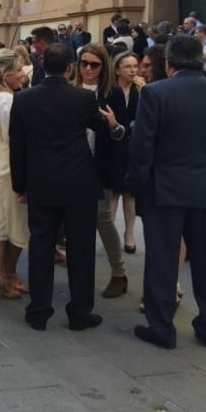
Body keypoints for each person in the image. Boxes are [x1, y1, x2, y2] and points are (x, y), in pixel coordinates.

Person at [131, 35, 206, 349]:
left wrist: (137, 185)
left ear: (169, 62)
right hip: (204, 186)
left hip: (163, 188)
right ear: (201, 59)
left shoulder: (154, 92)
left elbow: (142, 147)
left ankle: (162, 327)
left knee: (162, 259)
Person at [10, 43, 124, 331]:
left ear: (41, 66)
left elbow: (18, 147)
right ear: (70, 68)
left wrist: (20, 184)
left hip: (41, 182)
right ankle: (80, 312)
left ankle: (39, 310)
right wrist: (111, 123)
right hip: (78, 183)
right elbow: (99, 129)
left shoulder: (24, 100)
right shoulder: (82, 98)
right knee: (81, 249)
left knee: (41, 245)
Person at [73, 43, 129, 299]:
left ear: (103, 67)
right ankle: (81, 270)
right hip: (73, 164)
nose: (88, 69)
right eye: (84, 63)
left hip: (102, 164)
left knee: (102, 218)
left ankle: (119, 272)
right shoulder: (71, 90)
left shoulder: (113, 93)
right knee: (78, 218)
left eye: (94, 65)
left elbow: (122, 134)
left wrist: (113, 123)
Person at [0, 49, 30, 298]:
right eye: (19, 70)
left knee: (0, 221)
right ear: (6, 73)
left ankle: (5, 273)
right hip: (9, 171)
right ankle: (4, 273)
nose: (23, 75)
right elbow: (14, 137)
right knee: (14, 226)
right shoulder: (6, 100)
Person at [107, 51, 141, 255]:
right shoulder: (110, 91)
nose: (133, 70)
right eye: (128, 66)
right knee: (113, 193)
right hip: (114, 147)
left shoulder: (141, 90)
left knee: (130, 194)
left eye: (135, 66)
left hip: (134, 148)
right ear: (117, 69)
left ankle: (129, 233)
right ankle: (110, 235)